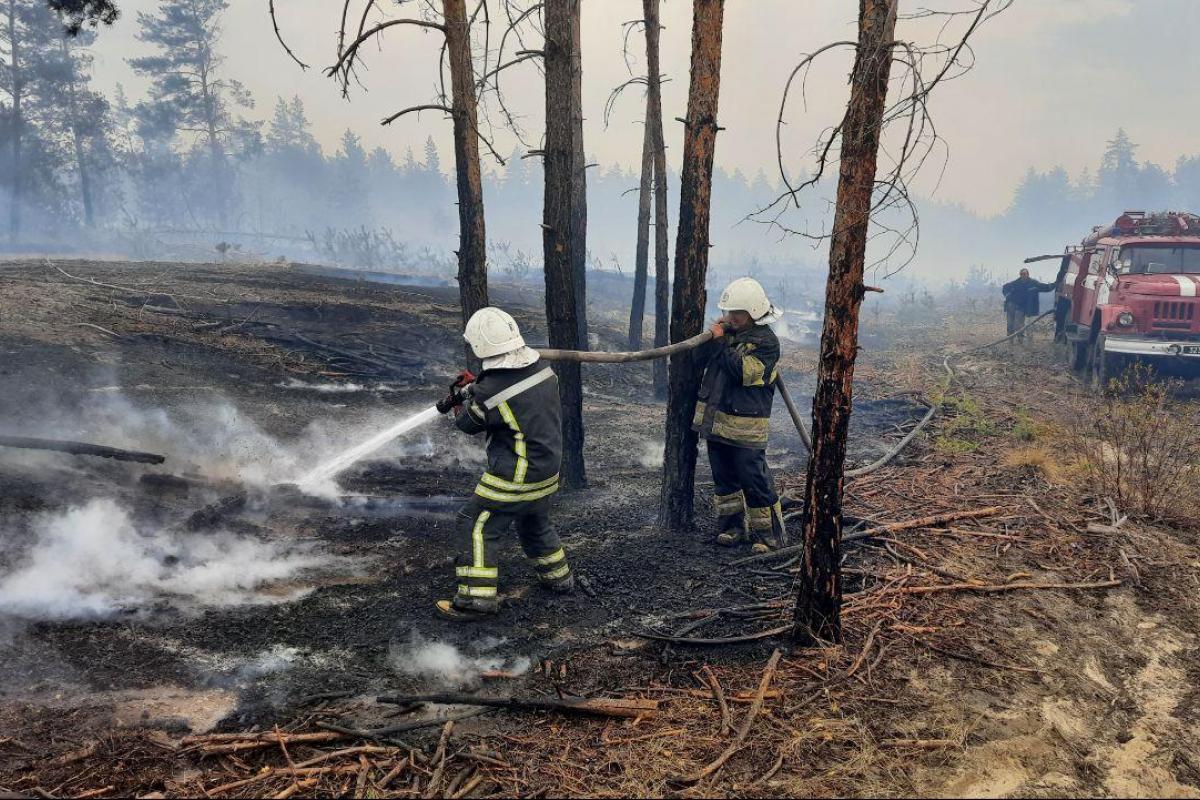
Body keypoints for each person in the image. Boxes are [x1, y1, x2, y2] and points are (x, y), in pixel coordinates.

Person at [436, 307, 573, 621]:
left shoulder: (489, 394)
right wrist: (477, 386)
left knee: (475, 524)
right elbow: (512, 393)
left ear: (481, 346)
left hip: (515, 476)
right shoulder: (542, 368)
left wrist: (463, 400)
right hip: (547, 470)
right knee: (533, 520)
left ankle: (474, 599)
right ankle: (559, 579)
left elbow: (468, 425)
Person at [692, 277, 786, 554]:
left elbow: (745, 372)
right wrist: (712, 340)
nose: (729, 317)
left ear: (754, 312)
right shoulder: (727, 335)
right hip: (716, 421)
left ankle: (769, 535)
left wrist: (722, 344)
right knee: (725, 479)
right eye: (727, 312)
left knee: (753, 478)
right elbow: (698, 361)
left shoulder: (767, 343)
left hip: (746, 426)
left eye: (736, 313)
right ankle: (732, 527)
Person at [1002, 268, 1055, 341]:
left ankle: (1020, 339)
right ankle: (1010, 340)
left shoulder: (1033, 283)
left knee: (1019, 324)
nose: (1023, 276)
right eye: (1021, 274)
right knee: (1010, 324)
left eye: (1024, 274)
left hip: (1022, 307)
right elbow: (1005, 287)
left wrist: (1055, 284)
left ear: (1028, 274)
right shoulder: (1015, 283)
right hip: (1011, 305)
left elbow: (1045, 287)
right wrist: (1008, 296)